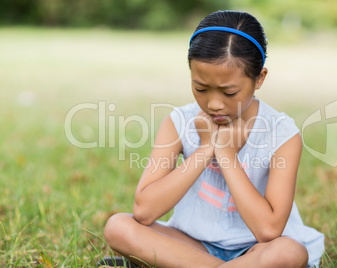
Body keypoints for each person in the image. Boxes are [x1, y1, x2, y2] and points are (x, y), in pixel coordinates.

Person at [102, 10, 325, 268]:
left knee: (289, 253)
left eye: (229, 92)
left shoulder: (282, 133)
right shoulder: (179, 123)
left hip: (257, 251)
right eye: (201, 89)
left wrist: (227, 154)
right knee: (118, 227)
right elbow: (144, 210)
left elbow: (268, 231)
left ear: (259, 78)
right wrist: (205, 149)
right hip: (191, 244)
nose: (214, 104)